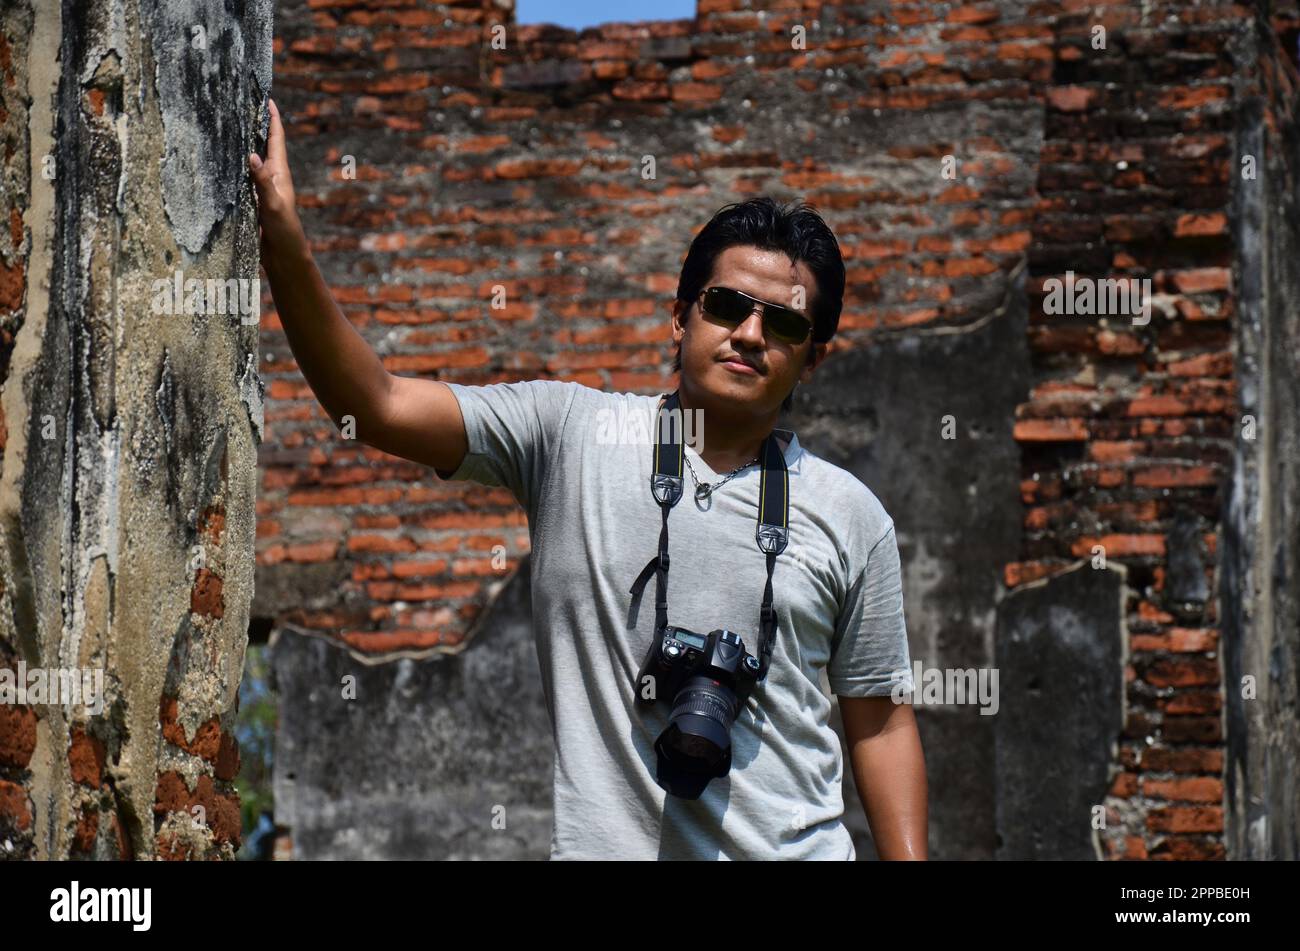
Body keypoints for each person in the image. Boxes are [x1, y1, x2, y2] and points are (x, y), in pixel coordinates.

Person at [249, 98, 928, 860]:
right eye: (727, 305)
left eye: (787, 323)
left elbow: (882, 721)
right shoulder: (569, 433)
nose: (749, 334)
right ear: (680, 317)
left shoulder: (851, 514)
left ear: (815, 355)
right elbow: (372, 404)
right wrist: (284, 240)